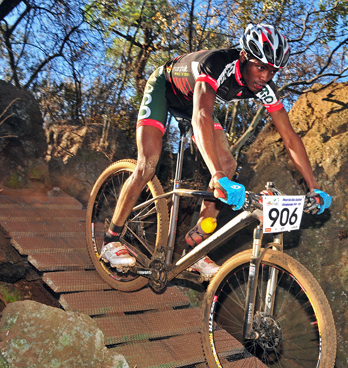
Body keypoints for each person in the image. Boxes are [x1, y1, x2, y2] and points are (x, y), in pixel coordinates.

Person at [100, 23, 332, 280]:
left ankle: (196, 250)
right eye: (261, 66)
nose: (265, 77)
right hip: (165, 91)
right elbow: (201, 115)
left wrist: (313, 187)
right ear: (244, 56)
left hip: (197, 105)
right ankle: (110, 240)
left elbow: (289, 137)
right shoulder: (217, 63)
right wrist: (216, 175)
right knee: (147, 165)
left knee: (228, 166)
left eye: (273, 71)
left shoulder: (265, 88)